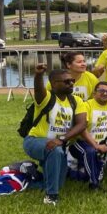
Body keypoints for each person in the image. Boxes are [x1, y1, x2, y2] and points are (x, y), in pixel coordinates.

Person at [23, 64, 87, 206]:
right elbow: (38, 89)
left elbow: (82, 124)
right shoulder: (46, 97)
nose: (71, 83)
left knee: (58, 182)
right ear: (53, 84)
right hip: (35, 141)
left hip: (58, 143)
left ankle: (28, 174)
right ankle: (51, 196)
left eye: (72, 81)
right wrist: (38, 75)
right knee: (54, 151)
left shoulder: (76, 101)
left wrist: (62, 139)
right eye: (66, 81)